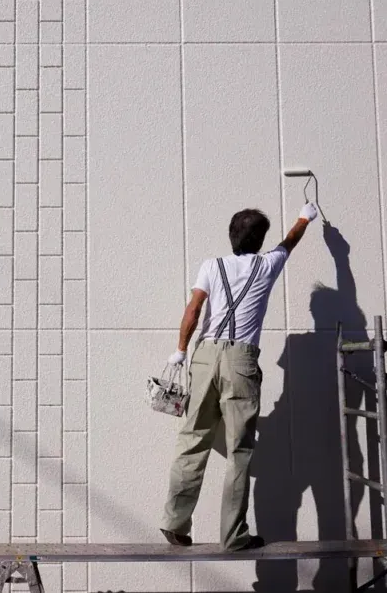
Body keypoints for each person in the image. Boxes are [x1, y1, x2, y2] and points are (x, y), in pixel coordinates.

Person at [160, 203, 319, 550]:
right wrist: (306, 215)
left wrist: (181, 349)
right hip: (241, 360)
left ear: (231, 235)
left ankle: (174, 522)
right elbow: (290, 241)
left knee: (192, 438)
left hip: (204, 355)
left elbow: (193, 309)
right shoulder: (266, 265)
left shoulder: (211, 266)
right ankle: (233, 535)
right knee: (240, 450)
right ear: (260, 239)